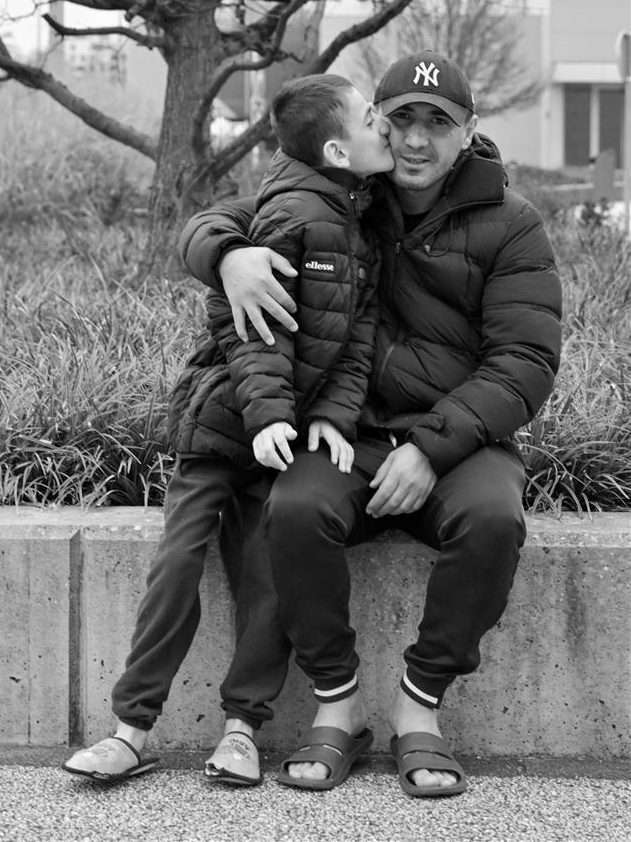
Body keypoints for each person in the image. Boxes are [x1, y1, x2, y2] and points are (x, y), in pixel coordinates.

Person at [179, 49, 562, 796]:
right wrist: (227, 257)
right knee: (293, 508)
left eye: (438, 123)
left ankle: (419, 708)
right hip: (344, 431)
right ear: (376, 127)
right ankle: (339, 704)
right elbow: (221, 216)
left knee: (491, 519)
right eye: (401, 121)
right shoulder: (349, 193)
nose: (417, 141)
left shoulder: (513, 225)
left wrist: (429, 446)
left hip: (457, 438)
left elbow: (524, 360)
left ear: (470, 130)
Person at [63, 73, 394, 786]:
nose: (388, 127)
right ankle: (129, 728)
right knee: (178, 564)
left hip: (284, 440)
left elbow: (353, 343)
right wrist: (272, 413)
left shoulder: (360, 222)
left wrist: (333, 418)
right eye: (375, 117)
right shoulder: (291, 211)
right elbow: (251, 329)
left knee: (267, 574)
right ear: (338, 149)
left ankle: (242, 728)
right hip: (223, 429)